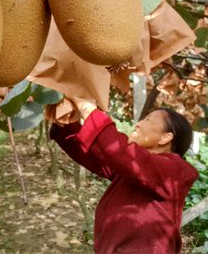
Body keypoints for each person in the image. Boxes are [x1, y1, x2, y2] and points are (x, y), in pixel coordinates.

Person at [50, 100, 199, 254]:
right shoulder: (136, 172)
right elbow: (97, 156)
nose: (138, 124)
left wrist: (89, 110)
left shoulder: (174, 171)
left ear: (165, 138)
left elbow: (120, 152)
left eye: (147, 120)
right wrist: (65, 124)